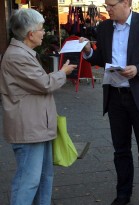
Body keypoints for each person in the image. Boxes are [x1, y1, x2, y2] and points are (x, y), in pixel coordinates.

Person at [79, 0, 139, 204]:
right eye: (106, 5)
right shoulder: (103, 27)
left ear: (127, 3)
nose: (107, 9)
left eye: (111, 4)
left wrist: (138, 69)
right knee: (121, 149)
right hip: (115, 96)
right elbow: (101, 57)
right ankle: (123, 194)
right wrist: (88, 52)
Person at [0, 9, 76, 205]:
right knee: (28, 180)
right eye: (42, 29)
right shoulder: (18, 56)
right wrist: (63, 72)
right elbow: (45, 84)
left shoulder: (23, 53)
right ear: (30, 34)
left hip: (37, 127)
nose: (45, 32)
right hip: (29, 128)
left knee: (43, 177)